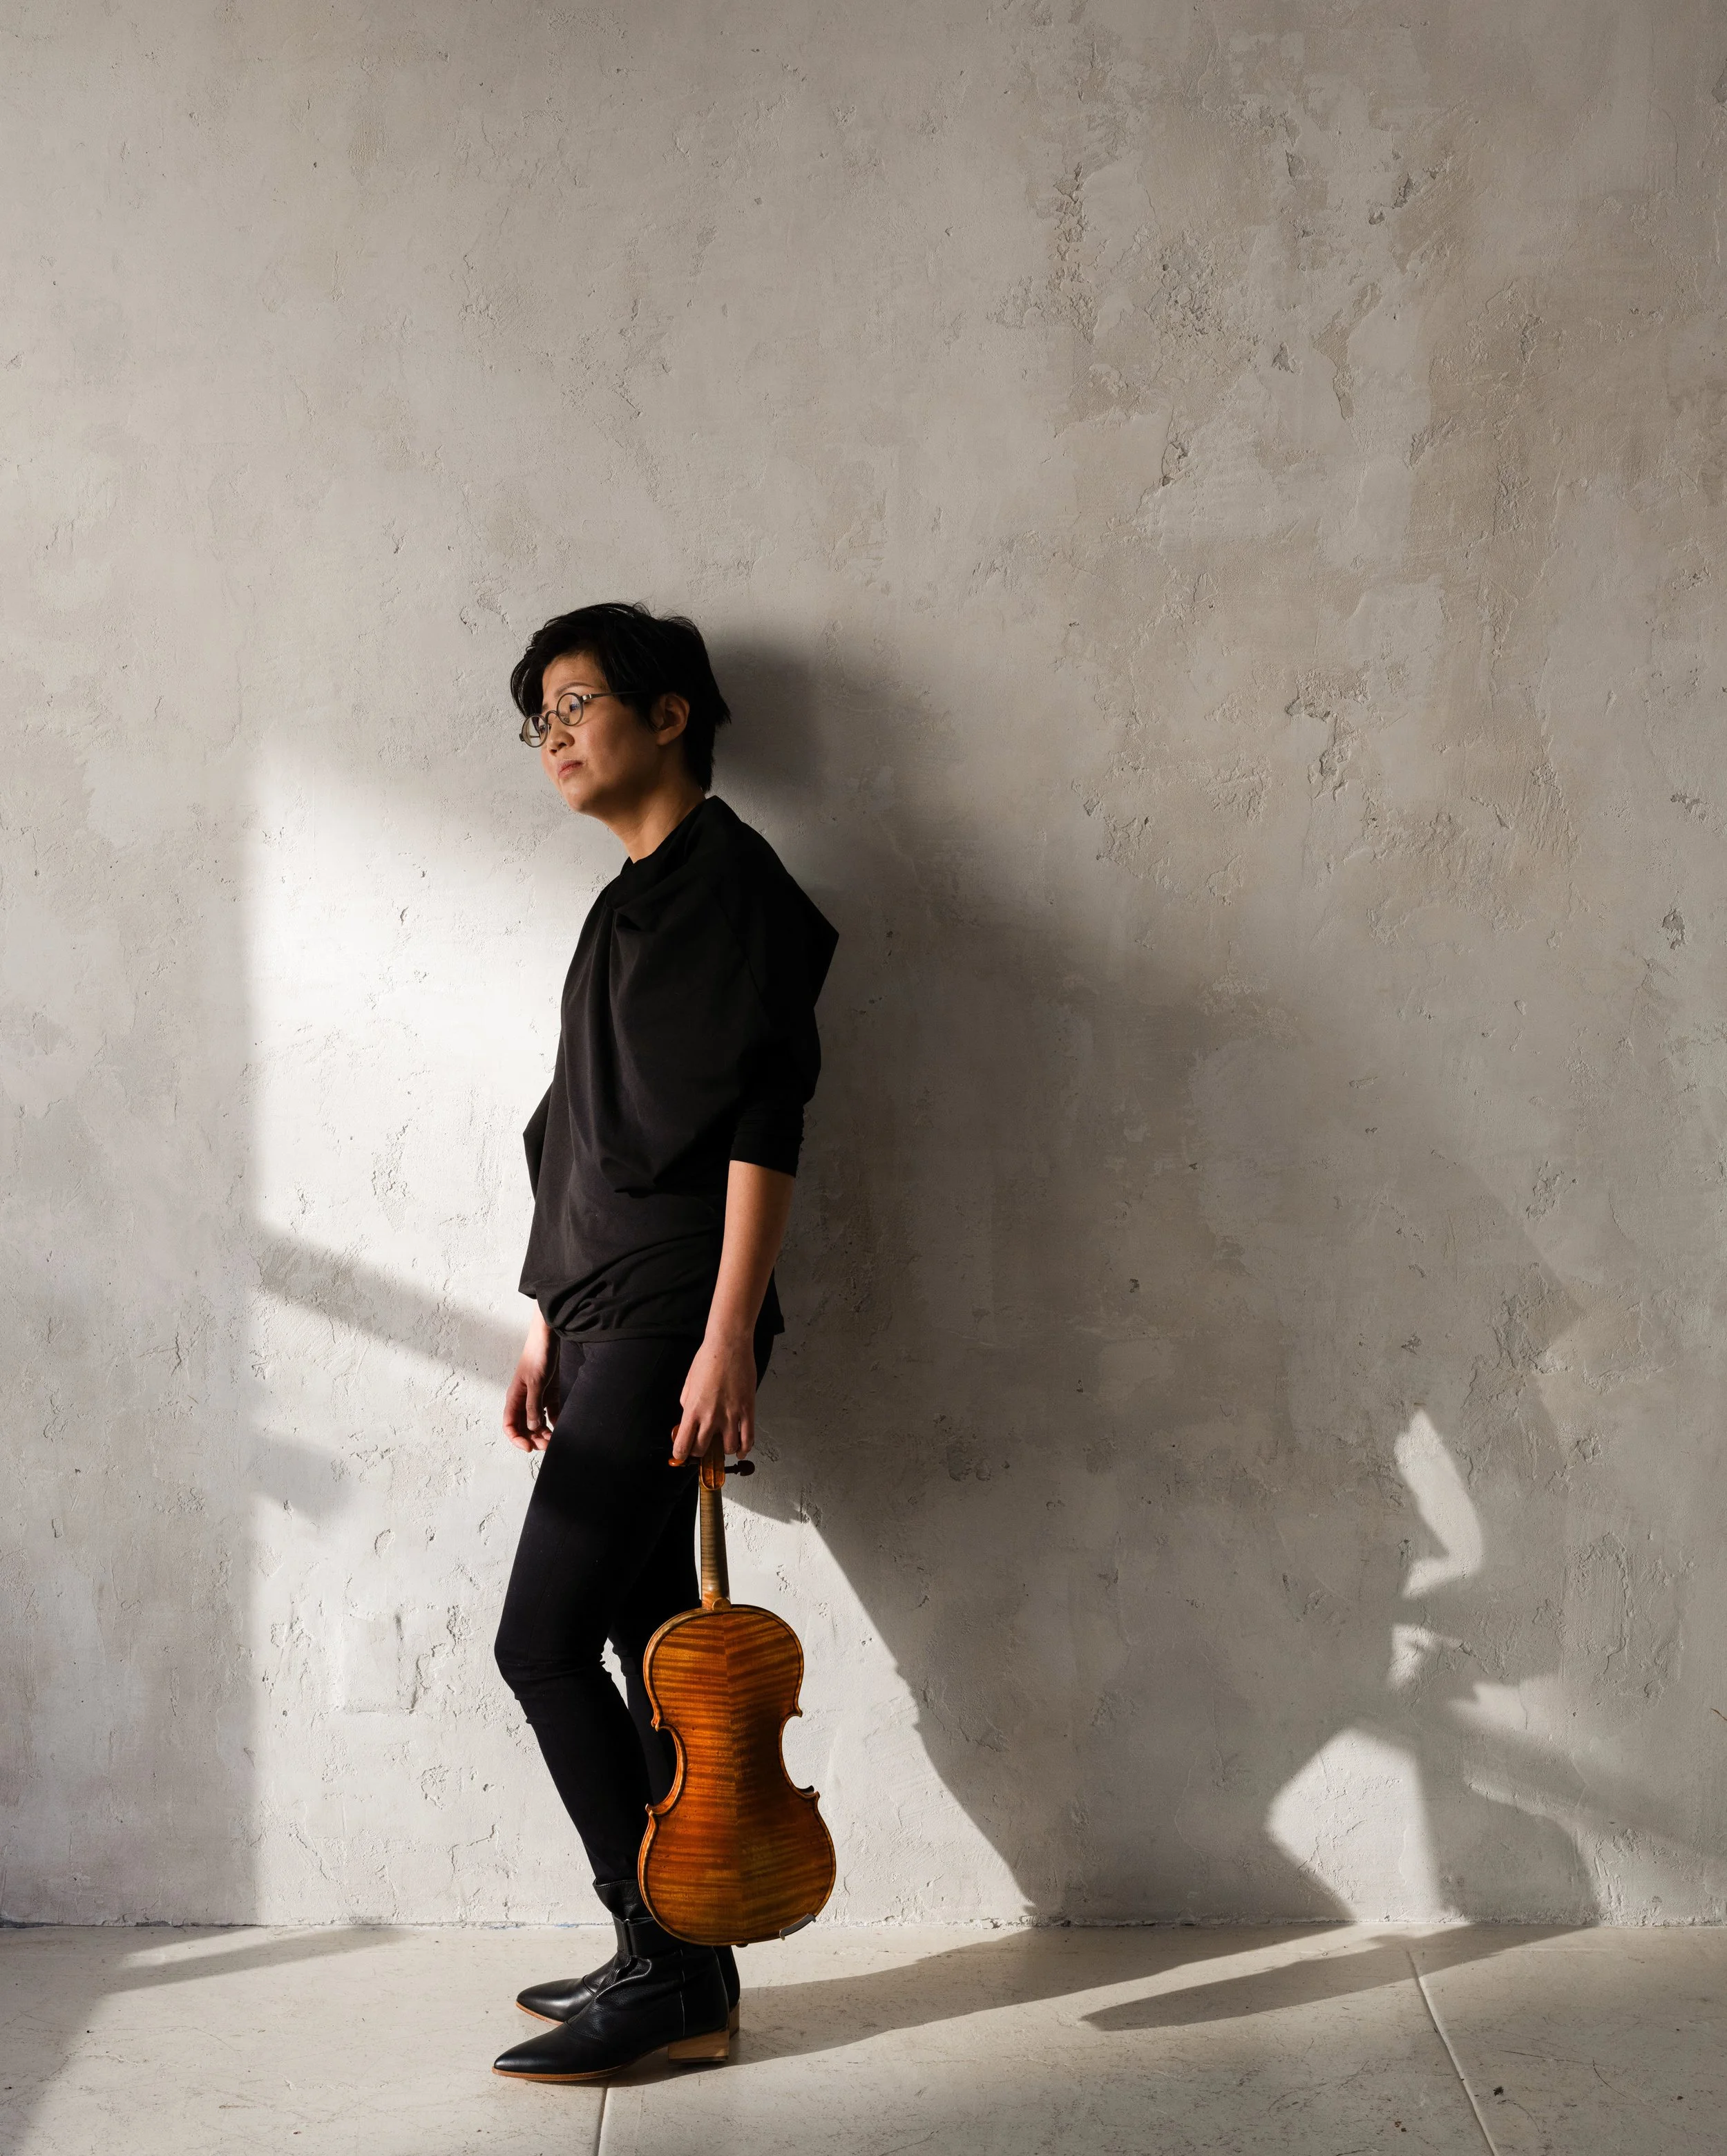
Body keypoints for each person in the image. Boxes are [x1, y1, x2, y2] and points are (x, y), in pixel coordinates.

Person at [488, 604, 837, 2085]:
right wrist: (538, 1317)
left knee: (540, 1638)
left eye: (575, 704)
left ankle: (661, 1957)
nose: (554, 736)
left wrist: (727, 1340)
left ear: (672, 713)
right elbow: (577, 1132)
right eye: (536, 722)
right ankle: (675, 1955)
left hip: (668, 1313)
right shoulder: (621, 901)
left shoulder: (736, 890)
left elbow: (767, 1121)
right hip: (604, 1309)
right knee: (633, 1640)